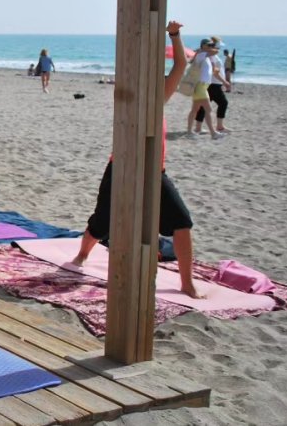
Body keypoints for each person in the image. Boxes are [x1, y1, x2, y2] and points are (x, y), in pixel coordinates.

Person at [71, 20, 205, 299]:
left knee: (182, 222)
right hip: (120, 168)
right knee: (101, 223)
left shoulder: (159, 98)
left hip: (154, 172)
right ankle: (81, 256)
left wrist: (174, 35)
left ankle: (187, 282)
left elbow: (180, 65)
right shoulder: (127, 97)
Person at [186, 38, 226, 139]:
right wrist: (201, 50)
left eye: (211, 45)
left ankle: (190, 132)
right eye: (208, 45)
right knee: (208, 109)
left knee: (194, 110)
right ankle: (213, 133)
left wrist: (202, 50)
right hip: (200, 86)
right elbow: (216, 50)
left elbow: (213, 67)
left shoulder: (204, 55)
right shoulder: (201, 54)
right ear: (203, 45)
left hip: (202, 86)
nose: (211, 47)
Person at [194, 37, 231, 133]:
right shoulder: (211, 55)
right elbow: (215, 72)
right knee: (223, 103)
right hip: (213, 84)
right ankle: (219, 126)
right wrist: (225, 82)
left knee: (203, 106)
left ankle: (199, 127)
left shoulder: (211, 54)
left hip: (212, 84)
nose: (219, 48)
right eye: (218, 46)